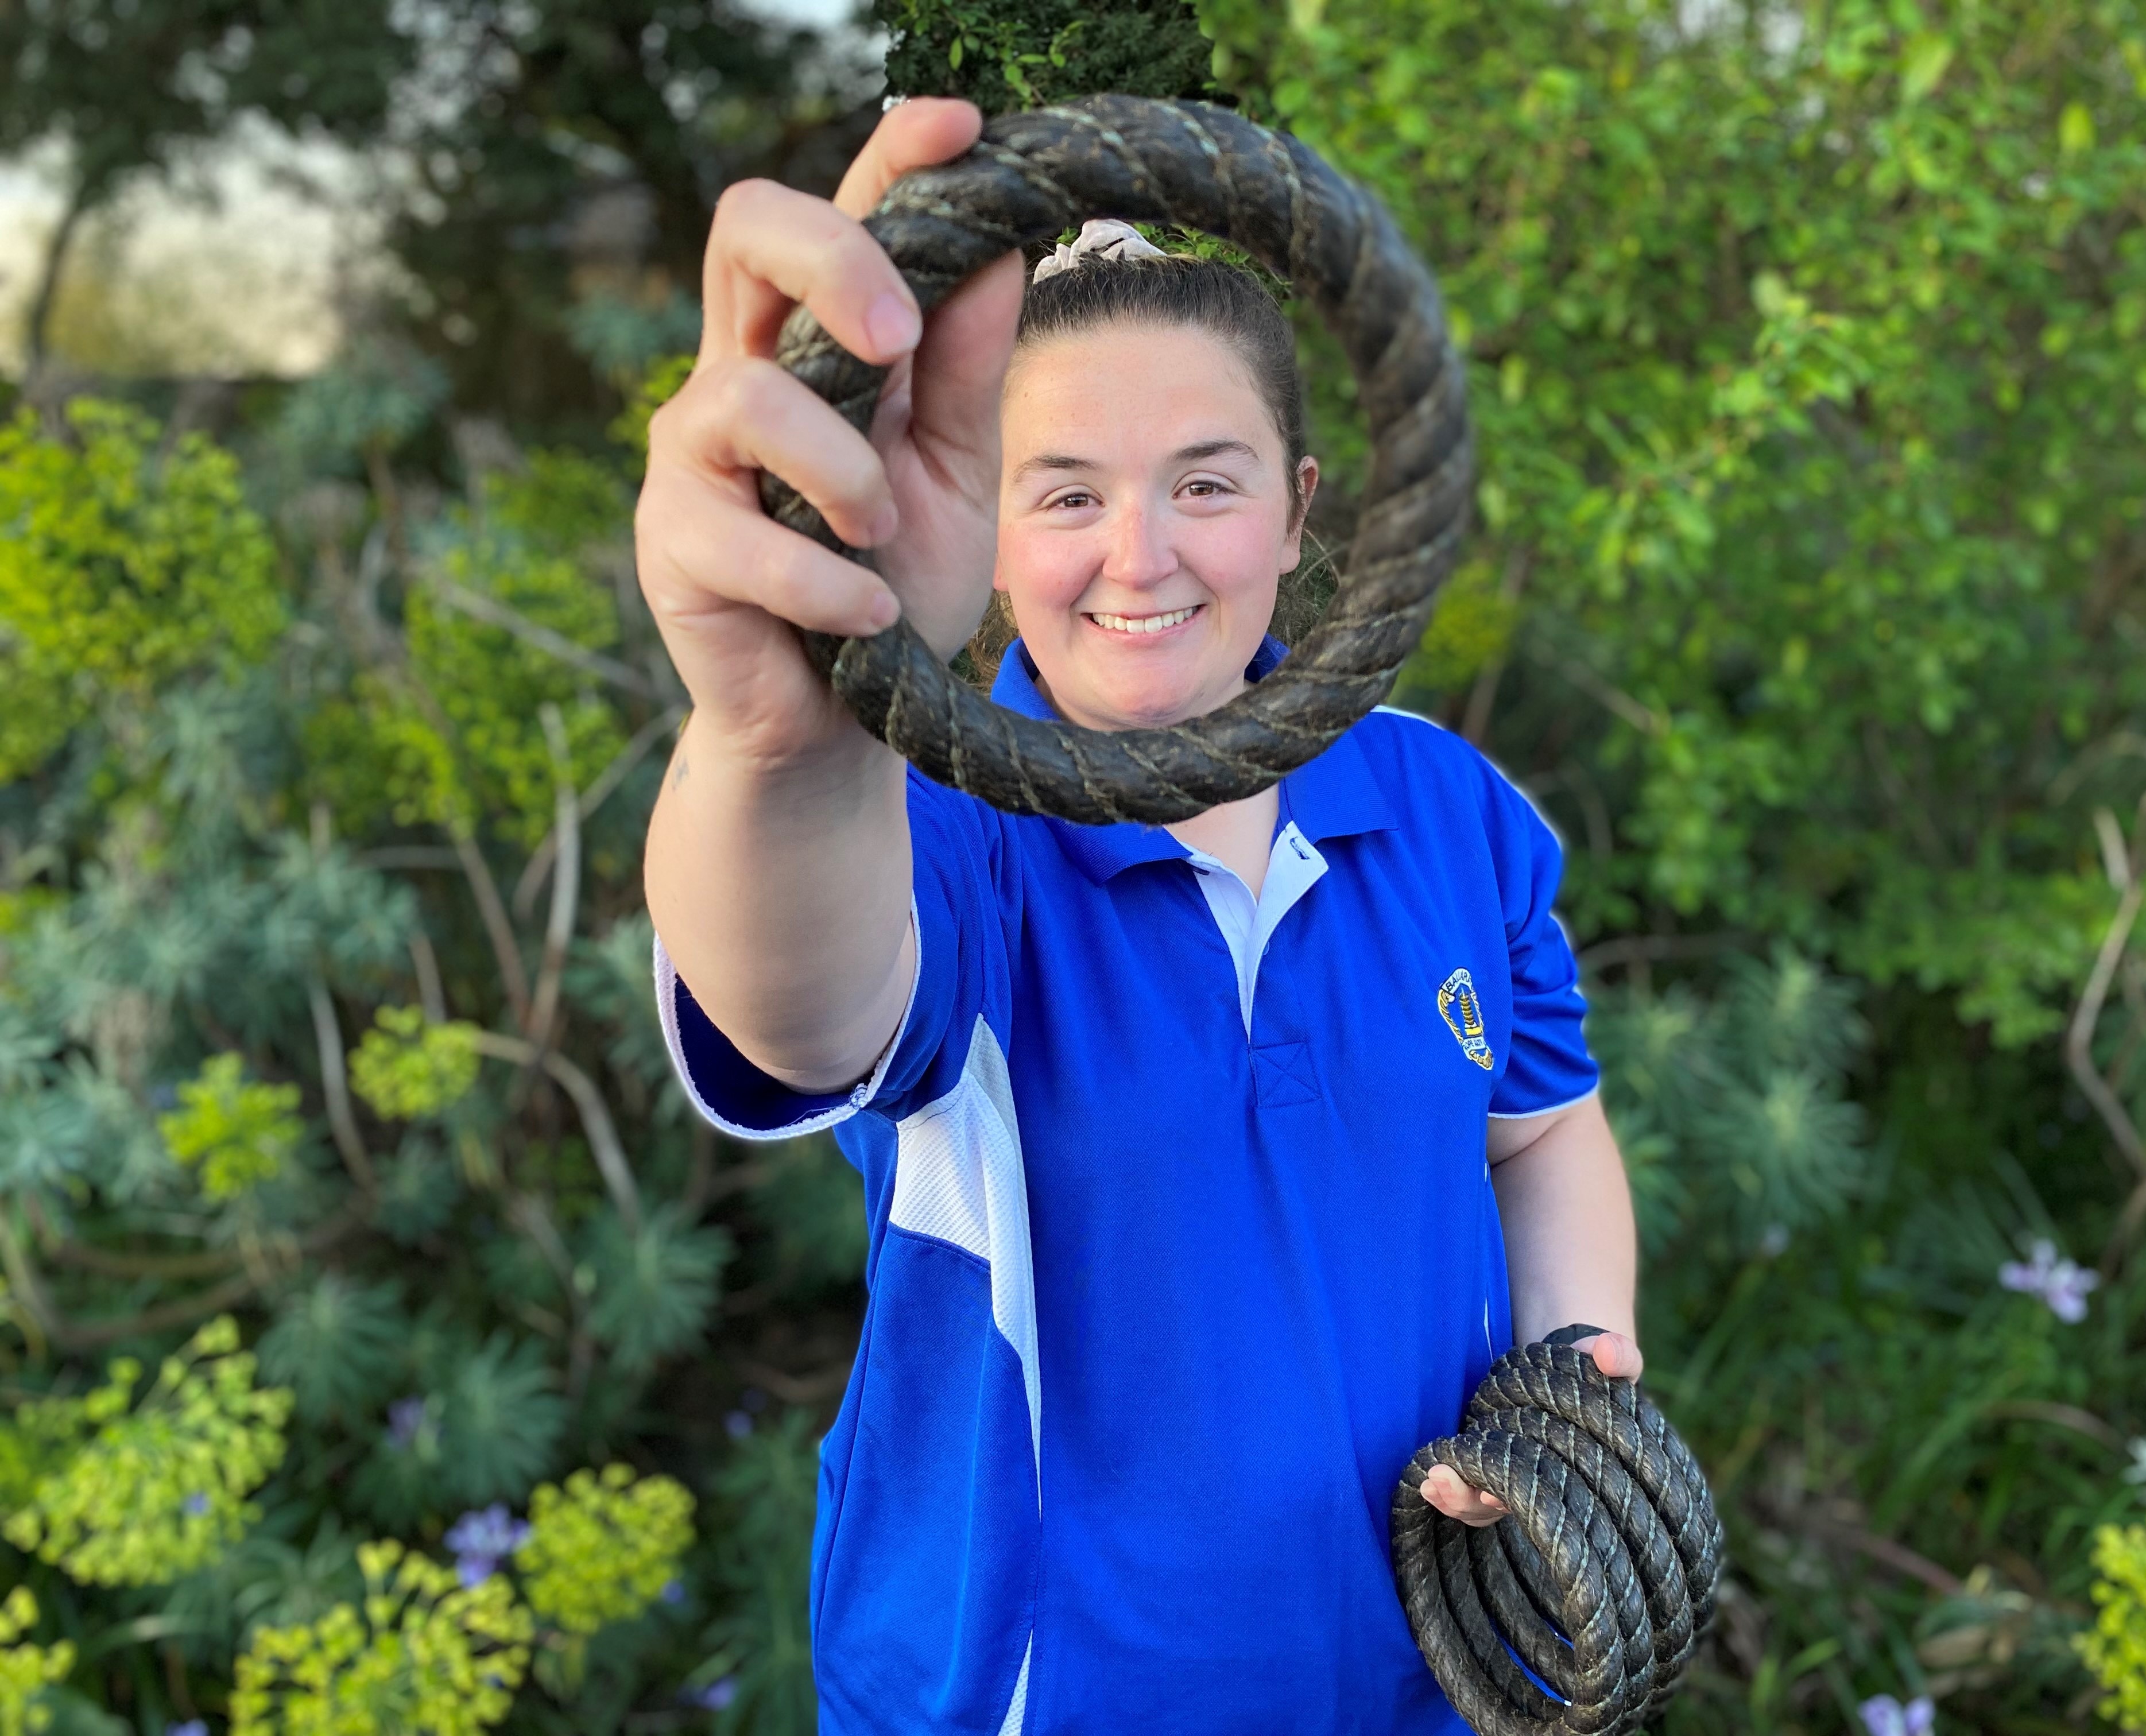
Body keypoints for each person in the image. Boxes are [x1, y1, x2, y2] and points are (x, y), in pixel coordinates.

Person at [638, 96, 1644, 1735]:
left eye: (1207, 482)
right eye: (1064, 493)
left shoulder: (1452, 808)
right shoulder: (939, 827)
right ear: (977, 518)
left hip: (1444, 1681)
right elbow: (799, 1012)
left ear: (1304, 508)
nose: (1140, 552)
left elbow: (1544, 1137)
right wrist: (777, 741)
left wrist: (1575, 1374)